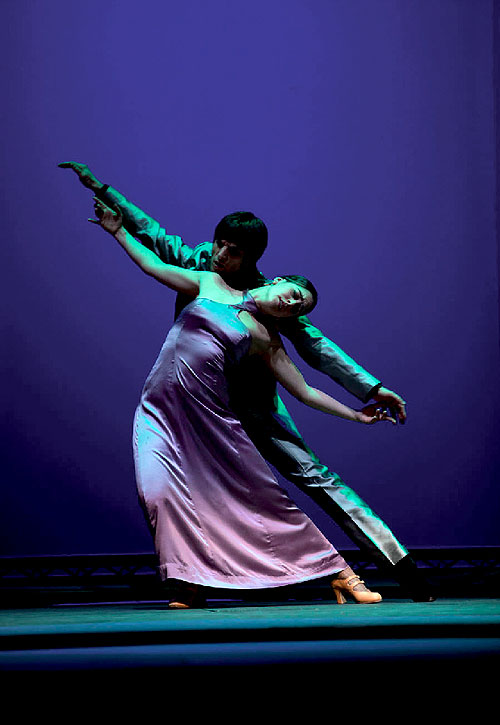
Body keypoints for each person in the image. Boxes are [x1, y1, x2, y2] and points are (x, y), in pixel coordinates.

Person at [59, 162, 435, 602]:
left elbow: (316, 347)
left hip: (253, 403)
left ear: (256, 261)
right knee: (177, 485)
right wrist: (102, 189)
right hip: (196, 402)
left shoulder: (278, 299)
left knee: (314, 477)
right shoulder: (202, 264)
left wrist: (368, 392)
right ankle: (197, 578)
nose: (221, 253)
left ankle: (399, 568)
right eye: (220, 243)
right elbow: (150, 235)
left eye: (234, 250)